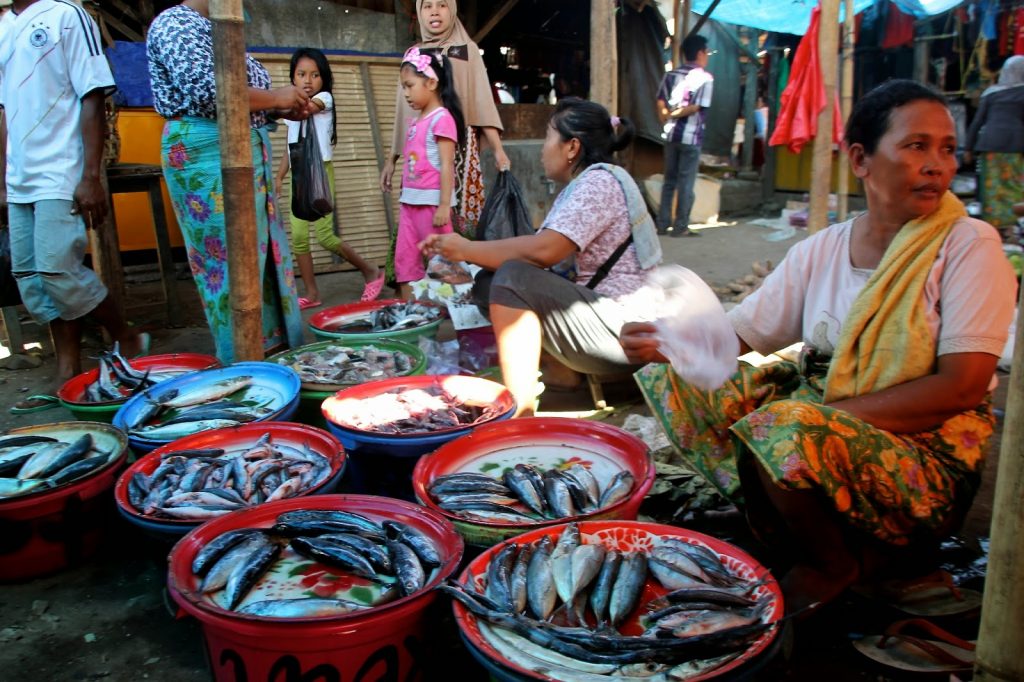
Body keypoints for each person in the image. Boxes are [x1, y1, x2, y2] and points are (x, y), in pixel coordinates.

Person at [621, 80, 1016, 615]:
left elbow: (962, 385)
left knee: (783, 429)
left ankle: (836, 560)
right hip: (824, 416)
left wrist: (816, 420)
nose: (937, 165)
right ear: (860, 158)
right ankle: (787, 521)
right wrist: (665, 341)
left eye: (947, 148)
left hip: (925, 450)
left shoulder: (969, 245)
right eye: (916, 145)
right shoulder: (824, 249)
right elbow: (738, 335)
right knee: (679, 382)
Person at [422, 98, 662, 417]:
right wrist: (467, 253)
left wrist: (465, 250)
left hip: (624, 335)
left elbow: (544, 251)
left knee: (512, 280)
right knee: (490, 282)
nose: (543, 148)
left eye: (548, 136)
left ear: (572, 147)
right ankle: (563, 372)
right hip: (606, 323)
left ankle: (520, 414)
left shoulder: (598, 183)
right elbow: (538, 253)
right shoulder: (591, 182)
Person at [147, 0, 314, 364]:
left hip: (242, 150)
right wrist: (274, 97)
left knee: (260, 255)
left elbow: (238, 95)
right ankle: (243, 362)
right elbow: (208, 91)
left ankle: (273, 357)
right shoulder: (175, 23)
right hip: (208, 156)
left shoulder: (219, 29)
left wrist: (277, 106)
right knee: (229, 261)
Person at [0, 0, 147, 414]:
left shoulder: (66, 14)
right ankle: (68, 366)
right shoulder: (4, 26)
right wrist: (1, 183)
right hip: (19, 177)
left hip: (60, 169)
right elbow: (3, 112)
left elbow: (92, 94)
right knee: (30, 275)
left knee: (57, 267)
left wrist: (90, 175)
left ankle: (124, 334)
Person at [380, 0, 511, 286]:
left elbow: (482, 102)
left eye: (442, 4)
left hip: (462, 153)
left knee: (458, 220)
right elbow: (404, 111)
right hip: (421, 155)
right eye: (427, 6)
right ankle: (418, 287)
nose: (435, 12)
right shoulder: (413, 55)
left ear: (453, 10)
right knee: (416, 224)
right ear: (419, 13)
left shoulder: (467, 51)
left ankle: (465, 288)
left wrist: (498, 150)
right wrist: (392, 159)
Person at [275, 47, 382, 309]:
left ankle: (370, 270)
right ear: (293, 78)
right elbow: (291, 148)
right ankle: (311, 294)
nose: (307, 80)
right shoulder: (291, 106)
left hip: (321, 171)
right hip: (299, 174)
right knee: (298, 237)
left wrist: (265, 104)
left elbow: (303, 111)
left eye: (314, 75)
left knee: (324, 236)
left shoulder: (324, 99)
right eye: (301, 74)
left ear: (323, 80)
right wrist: (278, 177)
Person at [386, 48, 464, 300]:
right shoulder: (416, 121)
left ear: (431, 82)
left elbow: (446, 164)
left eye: (409, 86)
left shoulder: (441, 119)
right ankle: (412, 316)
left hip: (431, 206)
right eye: (403, 87)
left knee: (443, 263)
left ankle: (463, 311)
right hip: (410, 203)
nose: (406, 93)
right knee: (405, 260)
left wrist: (444, 205)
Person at [655, 34, 714, 238]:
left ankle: (662, 225)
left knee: (669, 181)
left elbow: (660, 102)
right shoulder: (705, 78)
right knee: (685, 183)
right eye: (706, 52)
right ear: (699, 53)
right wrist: (674, 114)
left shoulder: (670, 75)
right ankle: (680, 227)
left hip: (670, 135)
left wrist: (666, 118)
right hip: (691, 137)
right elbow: (696, 107)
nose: (707, 56)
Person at [964, 55, 1024, 238]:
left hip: (989, 144)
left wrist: (968, 148)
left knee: (992, 187)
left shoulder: (991, 93)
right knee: (1015, 184)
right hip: (1016, 144)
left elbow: (977, 122)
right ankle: (1014, 225)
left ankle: (993, 227)